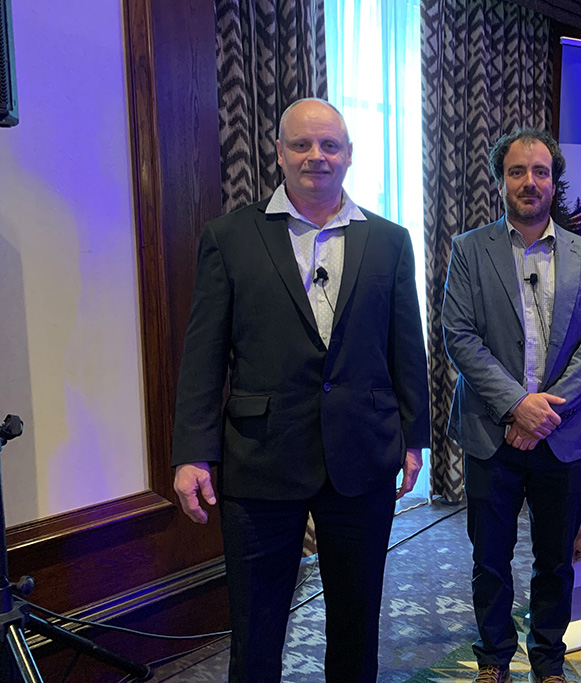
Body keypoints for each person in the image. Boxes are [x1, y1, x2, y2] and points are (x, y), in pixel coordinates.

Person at [171, 98, 429, 683]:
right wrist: (191, 452)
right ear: (279, 152)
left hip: (362, 458)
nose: (317, 156)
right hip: (260, 462)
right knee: (257, 631)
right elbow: (204, 355)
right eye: (302, 145)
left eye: (329, 145)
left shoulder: (389, 241)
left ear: (348, 156)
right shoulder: (229, 237)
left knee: (357, 624)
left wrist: (415, 439)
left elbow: (405, 349)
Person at [441, 128, 581, 683]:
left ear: (554, 183)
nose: (530, 182)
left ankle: (547, 658)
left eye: (541, 172)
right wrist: (518, 406)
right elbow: (459, 335)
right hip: (492, 434)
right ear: (501, 180)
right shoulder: (469, 250)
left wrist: (546, 413)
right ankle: (493, 657)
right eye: (518, 171)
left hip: (560, 435)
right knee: (489, 558)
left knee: (555, 559)